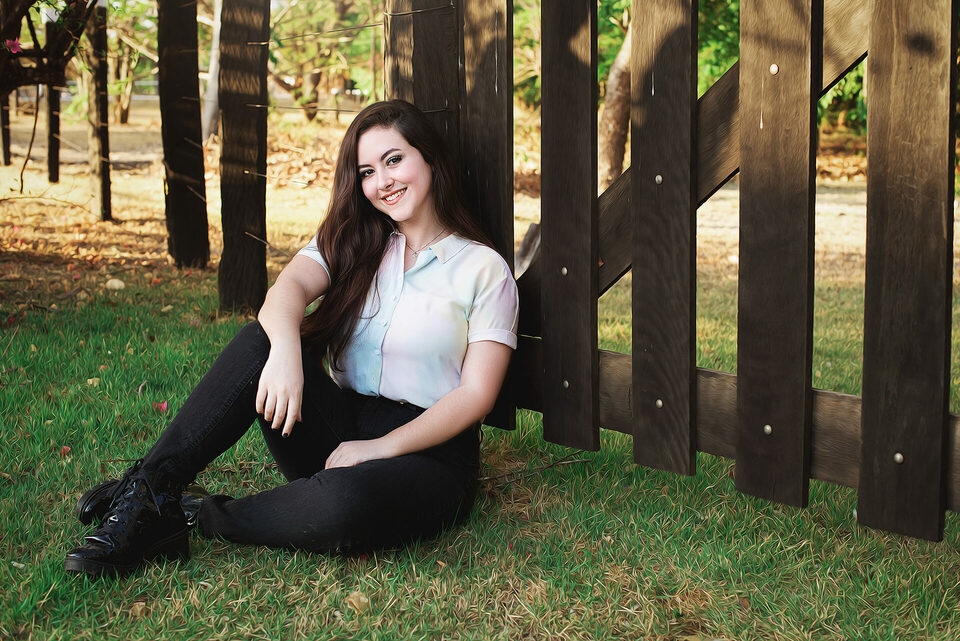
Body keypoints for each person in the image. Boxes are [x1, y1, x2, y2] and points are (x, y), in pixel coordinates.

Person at [64, 100, 519, 577]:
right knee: (261, 340)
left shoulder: (482, 269)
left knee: (342, 506)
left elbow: (476, 395)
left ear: (428, 158)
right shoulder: (358, 238)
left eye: (393, 160)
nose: (382, 181)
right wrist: (284, 353)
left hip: (429, 456)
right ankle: (150, 490)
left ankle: (198, 515)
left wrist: (380, 447)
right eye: (367, 172)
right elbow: (288, 290)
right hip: (340, 427)